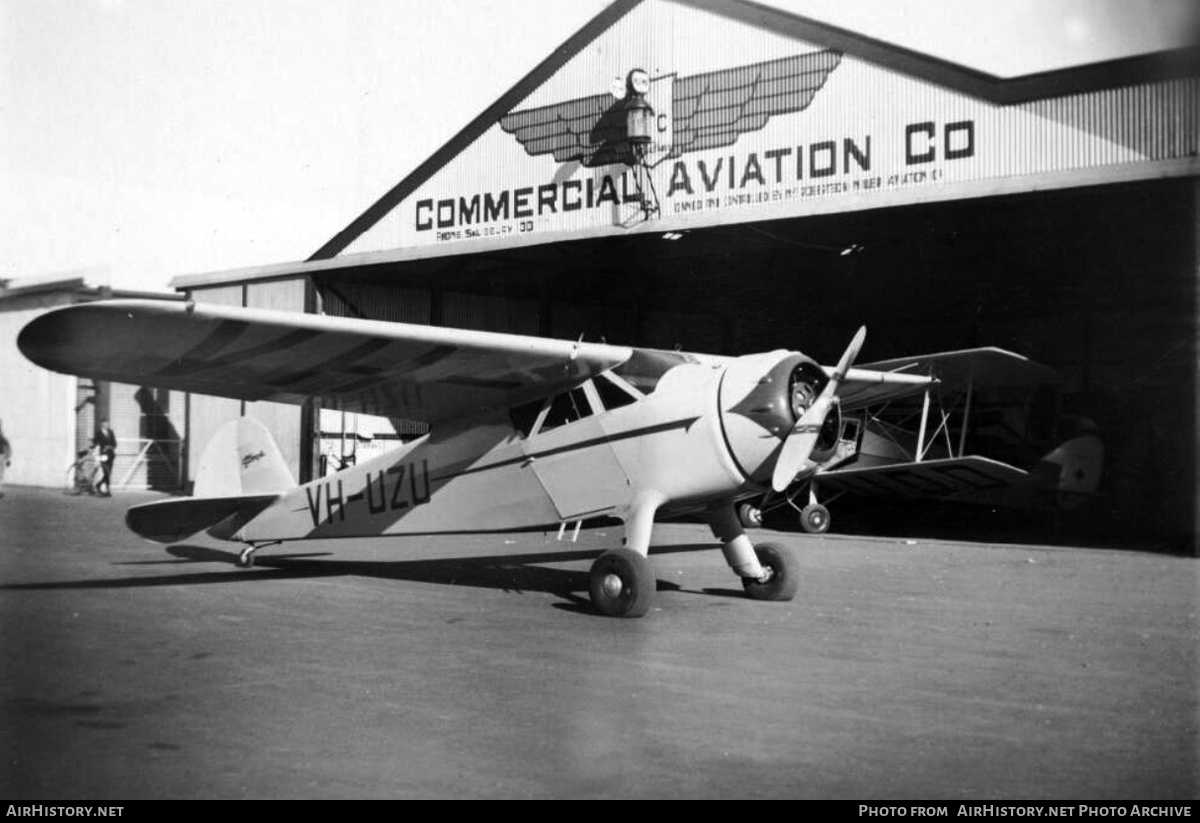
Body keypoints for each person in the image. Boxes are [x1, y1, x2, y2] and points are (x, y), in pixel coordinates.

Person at [92, 419, 117, 497]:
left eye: (107, 424)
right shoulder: (98, 433)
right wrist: (93, 446)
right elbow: (95, 442)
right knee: (106, 472)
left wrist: (109, 446)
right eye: (105, 424)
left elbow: (115, 444)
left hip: (111, 455)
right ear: (102, 424)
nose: (107, 425)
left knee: (108, 473)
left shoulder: (111, 432)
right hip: (103, 456)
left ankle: (99, 485)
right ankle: (108, 490)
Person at [0, 418, 10, 499]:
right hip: (2, 456)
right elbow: (6, 447)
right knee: (0, 475)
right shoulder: (2, 438)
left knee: (1, 475)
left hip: (2, 456)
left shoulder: (2, 438)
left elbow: (6, 447)